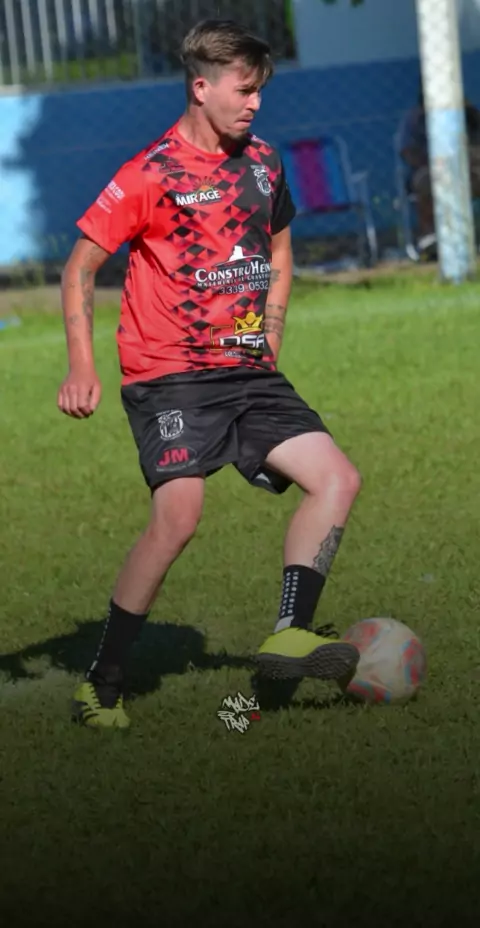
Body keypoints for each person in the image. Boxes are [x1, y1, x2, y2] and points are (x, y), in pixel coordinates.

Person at [58, 19, 362, 729]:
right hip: (170, 376)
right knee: (178, 517)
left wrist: (270, 336)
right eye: (244, 90)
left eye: (260, 92)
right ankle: (101, 685)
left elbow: (279, 251)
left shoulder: (264, 163)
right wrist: (81, 366)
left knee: (337, 479)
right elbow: (79, 268)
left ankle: (289, 633)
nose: (255, 104)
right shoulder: (150, 172)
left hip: (248, 369)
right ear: (201, 87)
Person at [399, 86, 480, 253]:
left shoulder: (470, 115)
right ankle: (431, 238)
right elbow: (407, 151)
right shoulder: (415, 119)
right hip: (431, 171)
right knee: (422, 182)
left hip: (470, 169)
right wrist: (433, 163)